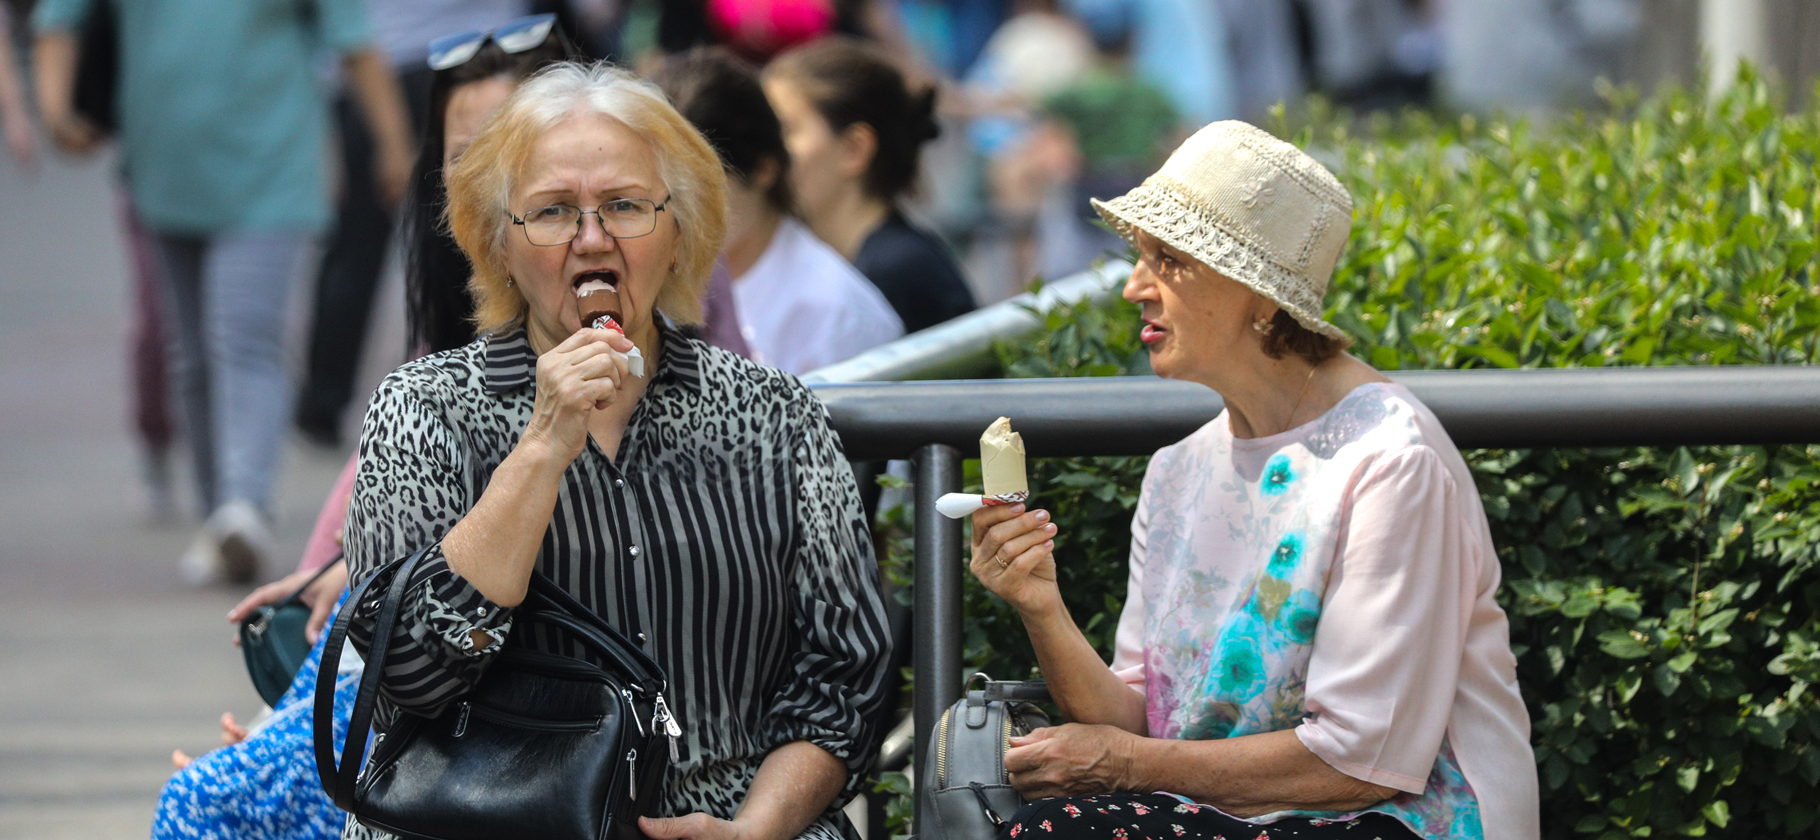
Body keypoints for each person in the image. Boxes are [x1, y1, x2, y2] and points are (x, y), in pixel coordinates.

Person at [342, 61, 892, 840]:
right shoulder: (424, 408)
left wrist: (753, 832)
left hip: (733, 817)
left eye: (626, 206)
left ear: (681, 231)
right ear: (500, 240)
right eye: (555, 211)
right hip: (487, 822)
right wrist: (541, 447)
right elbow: (411, 670)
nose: (592, 238)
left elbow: (847, 673)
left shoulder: (777, 416)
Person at [968, 122, 1539, 840]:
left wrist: (1123, 761)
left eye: (1167, 260)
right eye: (1140, 257)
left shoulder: (1392, 459)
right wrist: (1038, 602)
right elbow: (1142, 719)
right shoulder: (1177, 469)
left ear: (1259, 295)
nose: (1134, 289)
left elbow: (1361, 762)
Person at [150, 30, 583, 839]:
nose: (487, 180)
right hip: (423, 631)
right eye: (465, 154)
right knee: (220, 793)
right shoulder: (454, 324)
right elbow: (380, 501)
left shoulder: (622, 305)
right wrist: (331, 577)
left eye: (516, 148)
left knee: (211, 804)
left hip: (524, 667)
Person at [31, 0, 415, 584]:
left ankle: (246, 503)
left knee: (245, 337)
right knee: (193, 355)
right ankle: (222, 514)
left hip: (271, 171)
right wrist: (56, 110)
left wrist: (392, 142)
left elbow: (354, 39)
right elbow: (57, 21)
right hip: (164, 173)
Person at [292, 0, 529, 448]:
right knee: (447, 242)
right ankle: (332, 397)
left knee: (476, 236)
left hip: (440, 64)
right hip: (417, 65)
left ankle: (327, 399)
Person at [655, 47, 902, 375]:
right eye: (660, 194)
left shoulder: (834, 311)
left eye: (702, 194)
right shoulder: (652, 282)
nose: (678, 214)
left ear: (764, 170)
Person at [763, 37, 976, 335]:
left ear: (854, 149)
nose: (764, 153)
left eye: (785, 130)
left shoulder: (898, 271)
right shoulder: (834, 262)